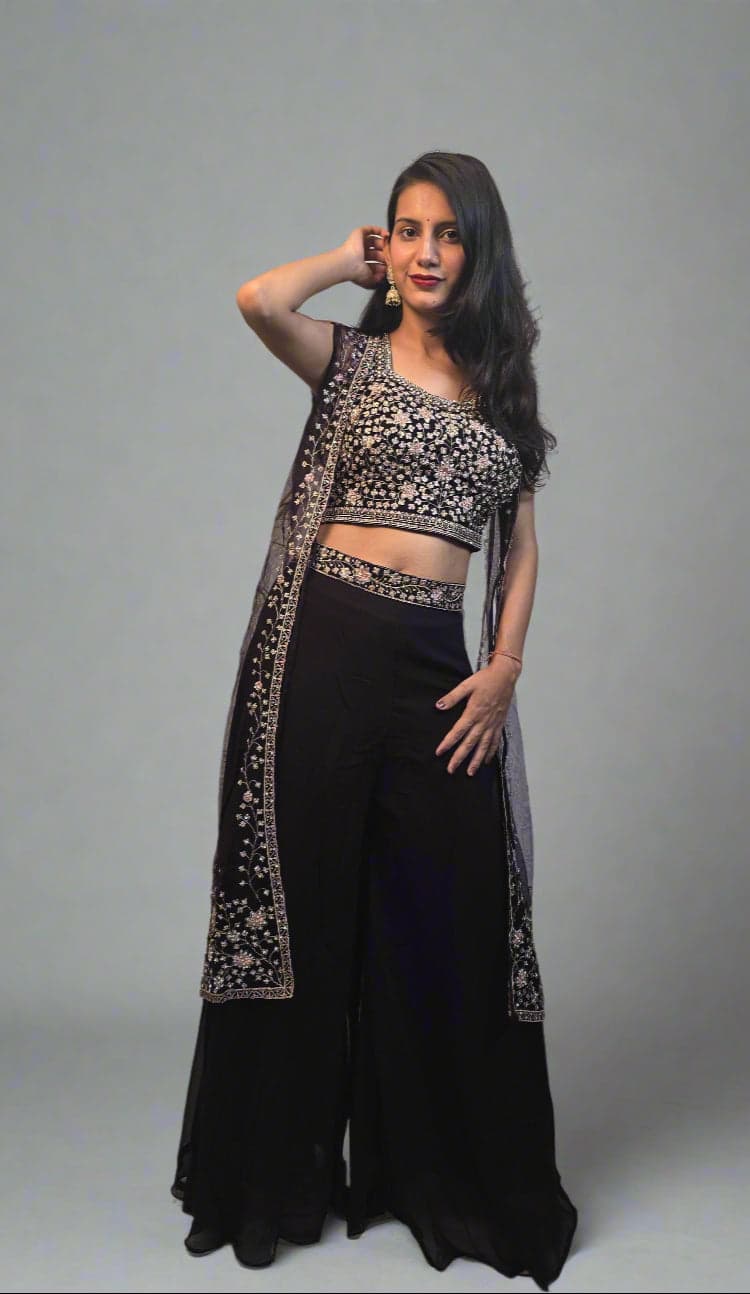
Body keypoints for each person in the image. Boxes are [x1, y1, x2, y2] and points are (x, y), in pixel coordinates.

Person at [170, 151, 578, 1290]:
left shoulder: (505, 387)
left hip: (437, 668)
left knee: (448, 909)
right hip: (328, 649)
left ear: (479, 250)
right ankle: (270, 1181)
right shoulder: (348, 363)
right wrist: (349, 259)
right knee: (303, 900)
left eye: (448, 233)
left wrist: (502, 666)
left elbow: (524, 545)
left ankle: (438, 1176)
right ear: (385, 248)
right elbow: (260, 298)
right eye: (407, 230)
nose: (428, 249)